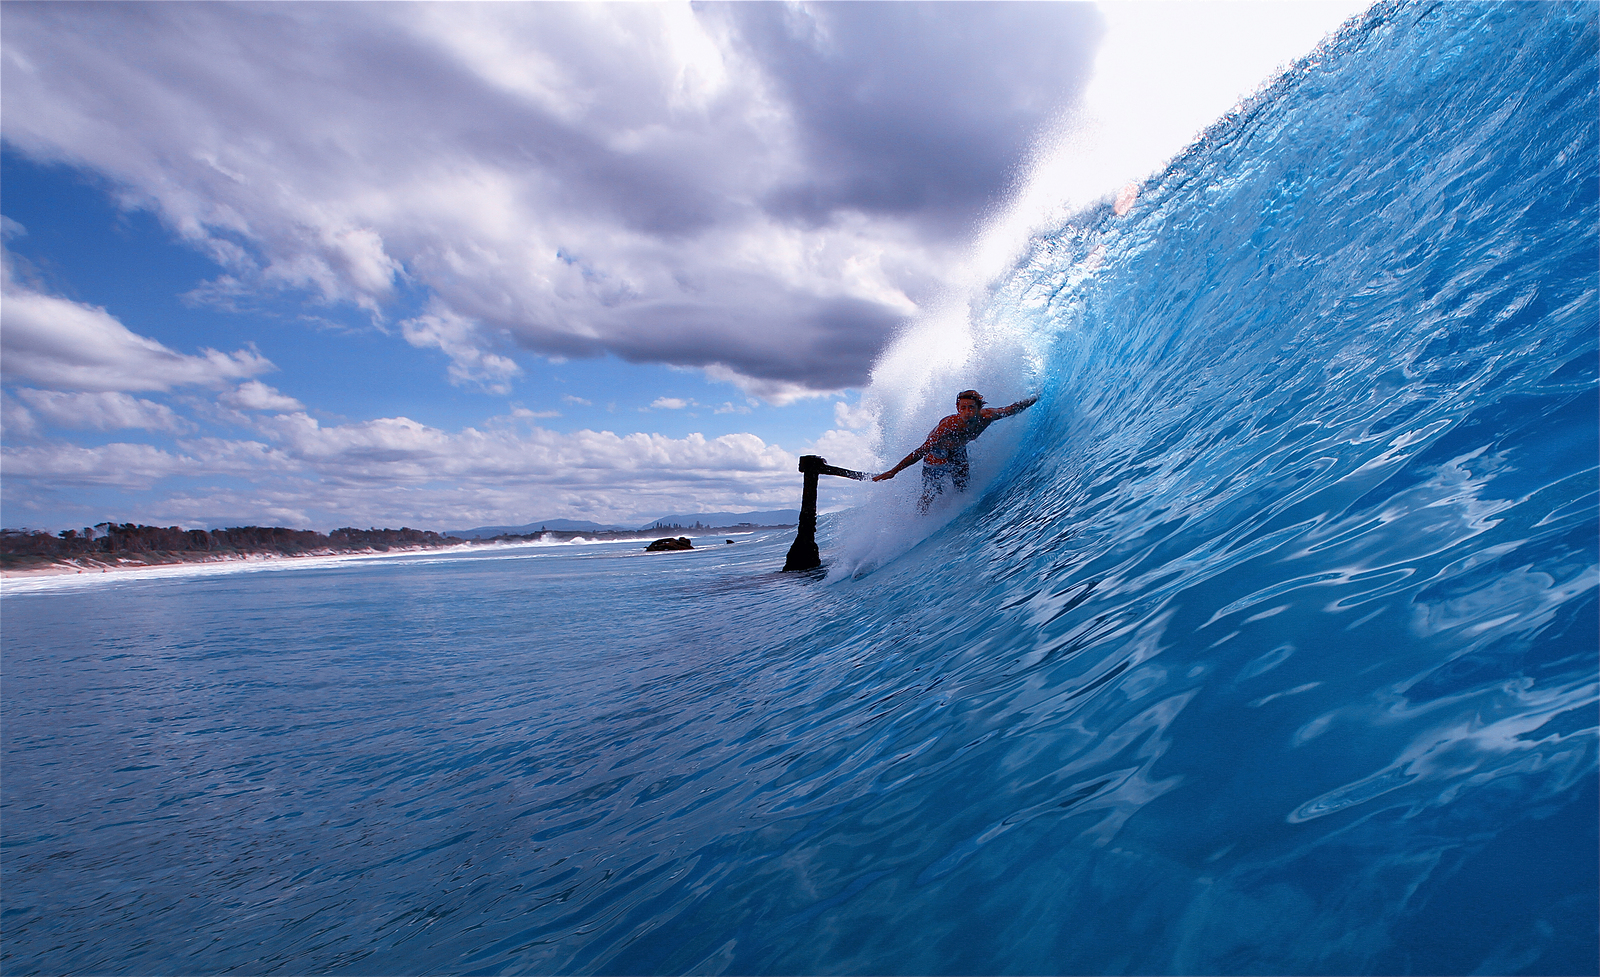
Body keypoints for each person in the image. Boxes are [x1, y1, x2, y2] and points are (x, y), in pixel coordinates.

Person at [873, 389, 1038, 511]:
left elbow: (1011, 409)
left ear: (979, 408)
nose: (967, 412)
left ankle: (962, 515)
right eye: (963, 407)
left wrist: (1035, 398)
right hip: (936, 454)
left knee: (963, 487)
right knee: (930, 494)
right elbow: (921, 450)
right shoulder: (948, 426)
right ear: (958, 408)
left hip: (958, 451)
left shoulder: (987, 416)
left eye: (971, 407)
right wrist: (893, 471)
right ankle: (919, 517)